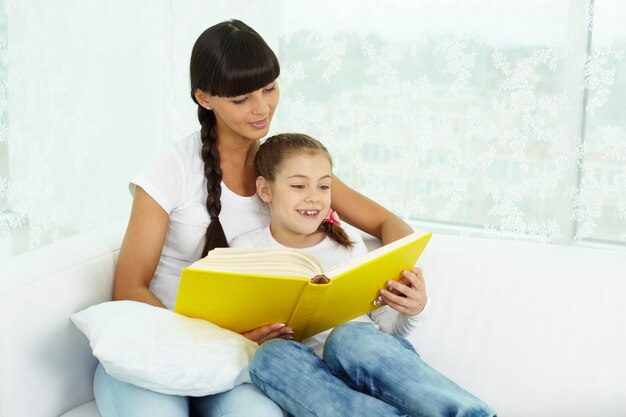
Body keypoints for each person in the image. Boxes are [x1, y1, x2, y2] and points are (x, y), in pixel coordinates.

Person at [93, 19, 416, 417]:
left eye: (269, 89)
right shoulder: (171, 167)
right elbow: (129, 286)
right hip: (161, 346)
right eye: (241, 98)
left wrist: (405, 279)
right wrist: (213, 336)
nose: (262, 108)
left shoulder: (290, 171)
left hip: (242, 357)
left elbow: (390, 225)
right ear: (205, 98)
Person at [231, 133, 497, 417]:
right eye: (298, 185)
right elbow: (229, 323)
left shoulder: (347, 242)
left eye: (324, 186)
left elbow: (385, 327)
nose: (313, 197)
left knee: (349, 338)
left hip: (368, 365)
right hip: (315, 385)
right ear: (265, 190)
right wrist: (246, 337)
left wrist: (414, 310)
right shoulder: (244, 249)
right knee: (269, 357)